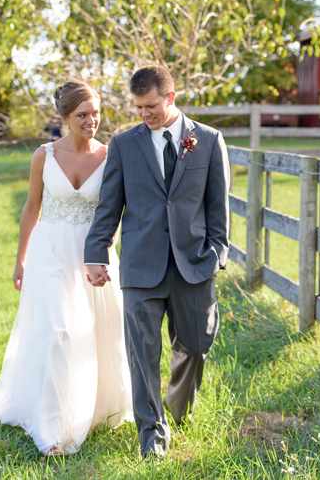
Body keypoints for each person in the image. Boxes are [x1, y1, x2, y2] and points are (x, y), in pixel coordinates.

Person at [0, 80, 133, 455]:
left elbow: (117, 210)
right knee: (57, 329)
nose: (92, 120)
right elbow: (32, 208)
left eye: (96, 113)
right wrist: (20, 258)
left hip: (93, 252)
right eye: (83, 115)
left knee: (95, 332)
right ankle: (51, 429)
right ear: (65, 118)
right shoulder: (44, 156)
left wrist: (108, 250)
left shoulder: (111, 155)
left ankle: (92, 407)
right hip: (49, 251)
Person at [84, 65, 229, 458]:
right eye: (138, 107)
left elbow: (219, 208)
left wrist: (218, 254)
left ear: (171, 97)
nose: (144, 114)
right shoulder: (124, 145)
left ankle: (177, 407)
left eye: (150, 106)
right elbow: (108, 205)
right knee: (142, 354)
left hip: (194, 264)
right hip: (140, 265)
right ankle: (152, 435)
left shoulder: (210, 141)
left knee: (196, 344)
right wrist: (96, 252)